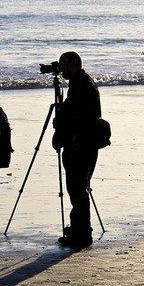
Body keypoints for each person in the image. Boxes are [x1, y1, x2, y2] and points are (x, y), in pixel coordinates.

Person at [52, 51, 101, 249]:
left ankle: (82, 235)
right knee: (78, 188)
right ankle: (79, 229)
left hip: (81, 144)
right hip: (82, 143)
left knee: (77, 188)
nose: (61, 69)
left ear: (74, 64)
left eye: (64, 65)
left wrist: (61, 126)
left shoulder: (81, 84)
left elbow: (77, 117)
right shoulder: (79, 82)